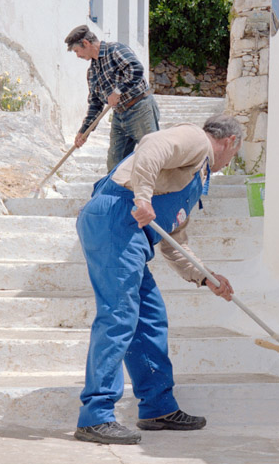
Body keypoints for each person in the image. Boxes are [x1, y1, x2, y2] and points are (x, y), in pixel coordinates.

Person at [74, 114, 243, 444]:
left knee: (150, 317)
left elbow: (174, 238)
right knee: (119, 316)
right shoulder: (196, 140)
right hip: (117, 217)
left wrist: (205, 277)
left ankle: (157, 408)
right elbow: (151, 145)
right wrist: (143, 198)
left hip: (129, 228)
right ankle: (95, 415)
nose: (230, 159)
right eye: (234, 154)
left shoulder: (195, 177)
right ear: (230, 142)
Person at [64, 24, 160, 173]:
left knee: (151, 156)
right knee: (115, 163)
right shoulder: (92, 72)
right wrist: (84, 131)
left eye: (77, 51)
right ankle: (118, 195)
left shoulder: (115, 50)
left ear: (86, 43)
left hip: (140, 108)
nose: (78, 56)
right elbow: (95, 104)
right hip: (119, 116)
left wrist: (118, 91)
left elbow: (136, 69)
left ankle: (159, 193)